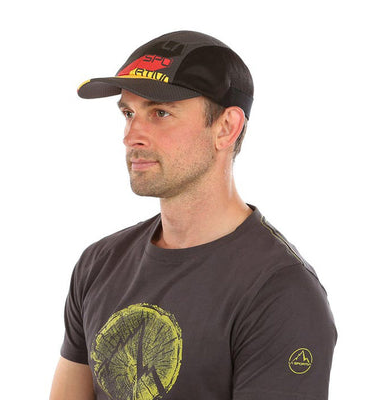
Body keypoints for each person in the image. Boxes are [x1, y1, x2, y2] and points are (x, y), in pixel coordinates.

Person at [50, 30, 337, 400]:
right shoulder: (99, 264)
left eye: (160, 113)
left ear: (226, 128)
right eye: (128, 113)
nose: (131, 135)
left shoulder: (280, 293)